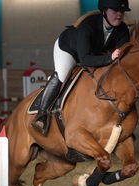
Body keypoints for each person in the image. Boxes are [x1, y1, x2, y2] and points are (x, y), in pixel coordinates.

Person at [31, 0, 131, 135]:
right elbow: (85, 60)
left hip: (94, 53)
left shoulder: (123, 30)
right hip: (69, 50)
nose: (119, 15)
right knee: (62, 75)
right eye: (115, 11)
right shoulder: (88, 25)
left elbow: (121, 58)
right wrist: (109, 58)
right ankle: (41, 114)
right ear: (104, 11)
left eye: (122, 12)